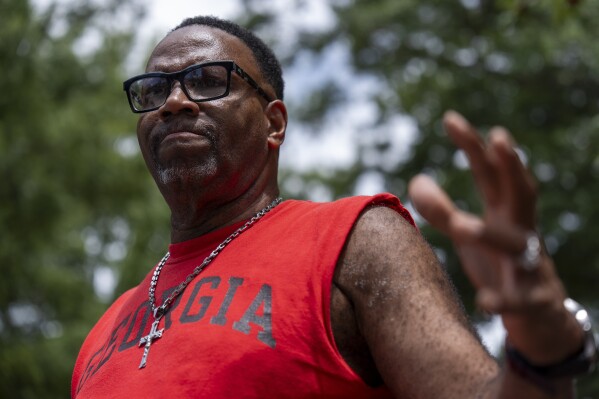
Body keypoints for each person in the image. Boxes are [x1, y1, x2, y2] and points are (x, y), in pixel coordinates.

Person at [71, 15, 597, 398]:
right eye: (153, 89)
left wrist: (539, 351)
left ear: (274, 122)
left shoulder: (353, 239)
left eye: (208, 81)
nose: (174, 101)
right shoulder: (105, 327)